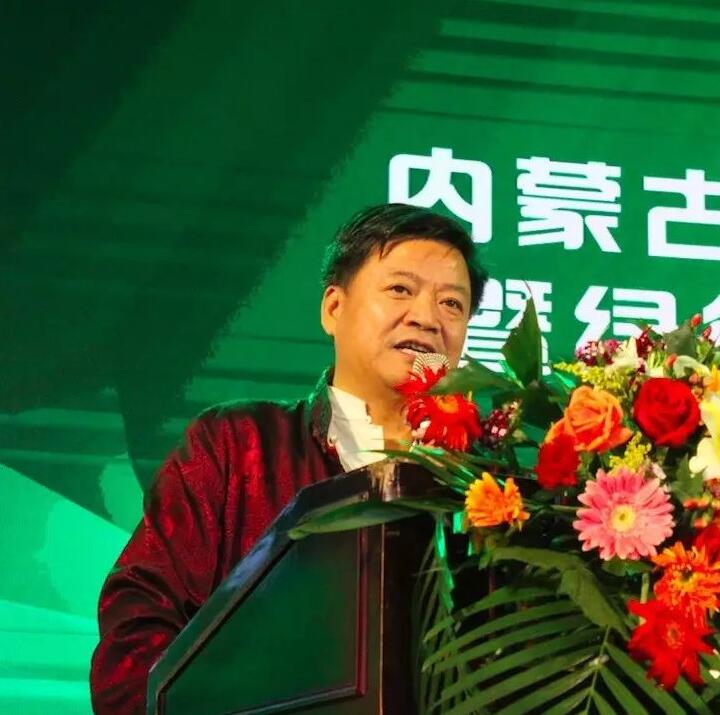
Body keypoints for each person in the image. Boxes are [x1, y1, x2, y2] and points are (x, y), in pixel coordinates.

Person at [89, 203, 488, 714]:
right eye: (400, 289)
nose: (427, 318)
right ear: (333, 308)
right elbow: (139, 620)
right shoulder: (237, 446)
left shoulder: (490, 487)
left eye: (452, 304)